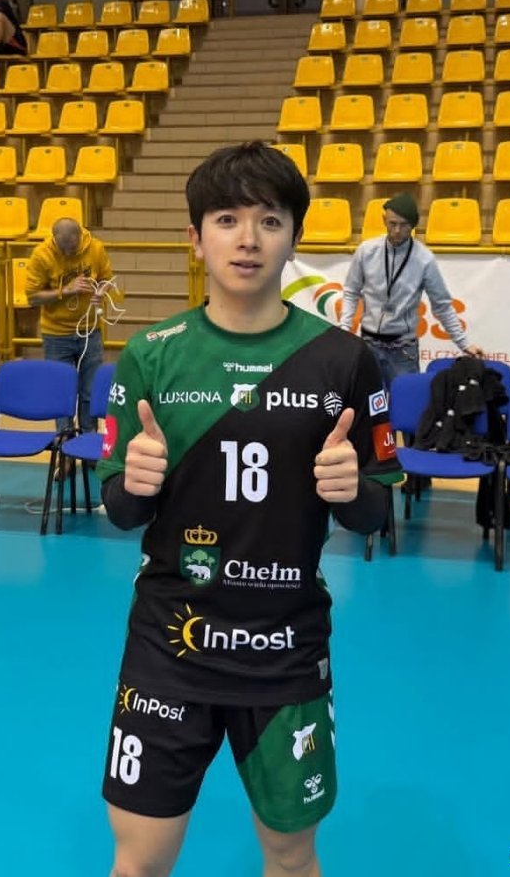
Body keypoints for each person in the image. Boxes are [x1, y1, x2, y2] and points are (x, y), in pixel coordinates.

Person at [95, 142, 402, 877]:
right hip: (169, 649)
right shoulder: (150, 355)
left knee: (293, 857)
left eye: (269, 220)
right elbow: (120, 510)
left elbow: (376, 512)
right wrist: (136, 481)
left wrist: (351, 489)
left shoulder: (345, 360)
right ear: (195, 238)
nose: (248, 239)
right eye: (227, 219)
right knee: (138, 861)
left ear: (293, 238)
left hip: (285, 651)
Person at [340, 192, 484, 387]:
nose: (397, 230)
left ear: (413, 225)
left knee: (404, 403)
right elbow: (351, 292)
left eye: (404, 225)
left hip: (403, 351)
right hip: (368, 346)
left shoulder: (424, 259)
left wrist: (464, 344)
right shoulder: (366, 251)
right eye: (392, 223)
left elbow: (442, 306)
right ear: (384, 220)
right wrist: (344, 329)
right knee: (367, 403)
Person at [24, 217, 115, 443]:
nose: (67, 253)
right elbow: (32, 298)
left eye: (72, 249)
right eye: (62, 249)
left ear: (80, 237)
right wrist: (65, 290)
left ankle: (88, 441)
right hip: (56, 334)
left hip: (90, 331)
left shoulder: (95, 248)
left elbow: (107, 279)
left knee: (89, 391)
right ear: (54, 240)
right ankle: (64, 442)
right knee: (61, 392)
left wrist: (101, 292)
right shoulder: (41, 255)